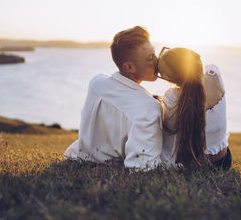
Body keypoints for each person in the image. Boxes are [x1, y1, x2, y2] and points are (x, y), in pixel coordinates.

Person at [64, 26, 163, 170]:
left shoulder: (96, 83)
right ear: (129, 67)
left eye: (154, 53)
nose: (157, 61)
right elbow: (143, 166)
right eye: (150, 58)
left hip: (80, 157)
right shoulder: (149, 109)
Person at [155, 47, 231, 169]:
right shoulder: (214, 74)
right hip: (223, 160)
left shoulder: (172, 98)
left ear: (171, 79)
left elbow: (167, 129)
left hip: (198, 165)